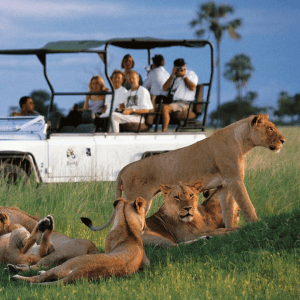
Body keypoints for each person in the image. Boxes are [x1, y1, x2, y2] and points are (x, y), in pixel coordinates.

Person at [161, 58, 198, 132]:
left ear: (185, 66)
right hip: (174, 102)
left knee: (165, 108)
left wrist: (184, 76)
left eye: (182, 66)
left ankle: (163, 132)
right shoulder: (174, 77)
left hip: (185, 103)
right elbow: (164, 88)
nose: (180, 68)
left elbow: (192, 87)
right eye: (178, 67)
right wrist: (172, 75)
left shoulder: (191, 74)